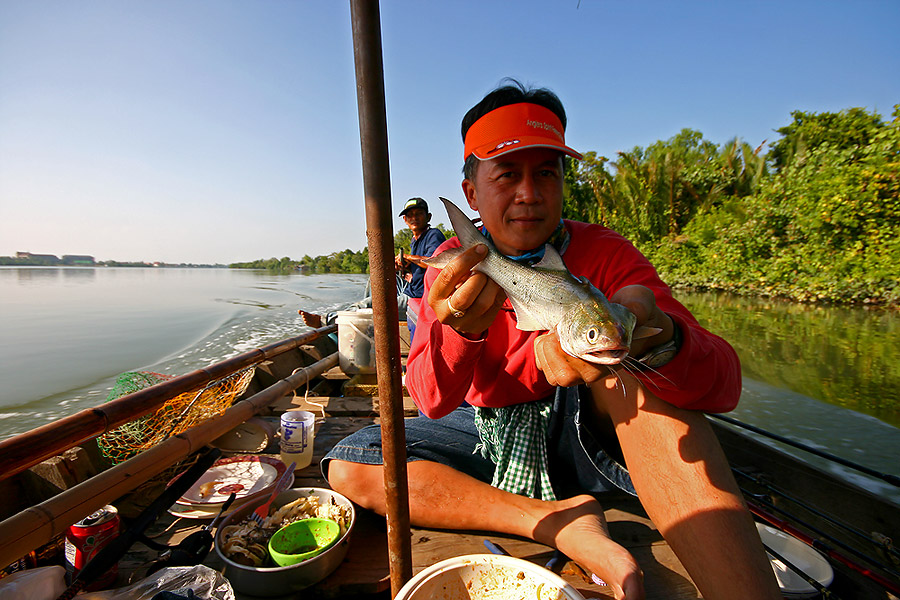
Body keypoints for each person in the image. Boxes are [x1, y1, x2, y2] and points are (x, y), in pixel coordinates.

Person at [324, 81, 781, 600]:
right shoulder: (454, 264)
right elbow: (430, 401)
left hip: (583, 428)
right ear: (472, 193)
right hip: (486, 424)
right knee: (351, 465)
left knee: (634, 375)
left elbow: (724, 385)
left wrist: (660, 339)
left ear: (564, 183)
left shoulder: (606, 255)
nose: (529, 193)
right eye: (507, 174)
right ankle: (557, 519)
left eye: (546, 172)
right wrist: (463, 334)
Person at [395, 197, 446, 341]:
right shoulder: (415, 240)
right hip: (410, 287)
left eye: (418, 214)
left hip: (418, 295)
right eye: (410, 215)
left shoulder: (433, 235)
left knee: (367, 304)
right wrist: (404, 266)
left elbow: (435, 263)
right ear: (405, 219)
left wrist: (408, 257)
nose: (414, 218)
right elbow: (419, 266)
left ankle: (332, 320)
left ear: (428, 217)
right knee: (375, 280)